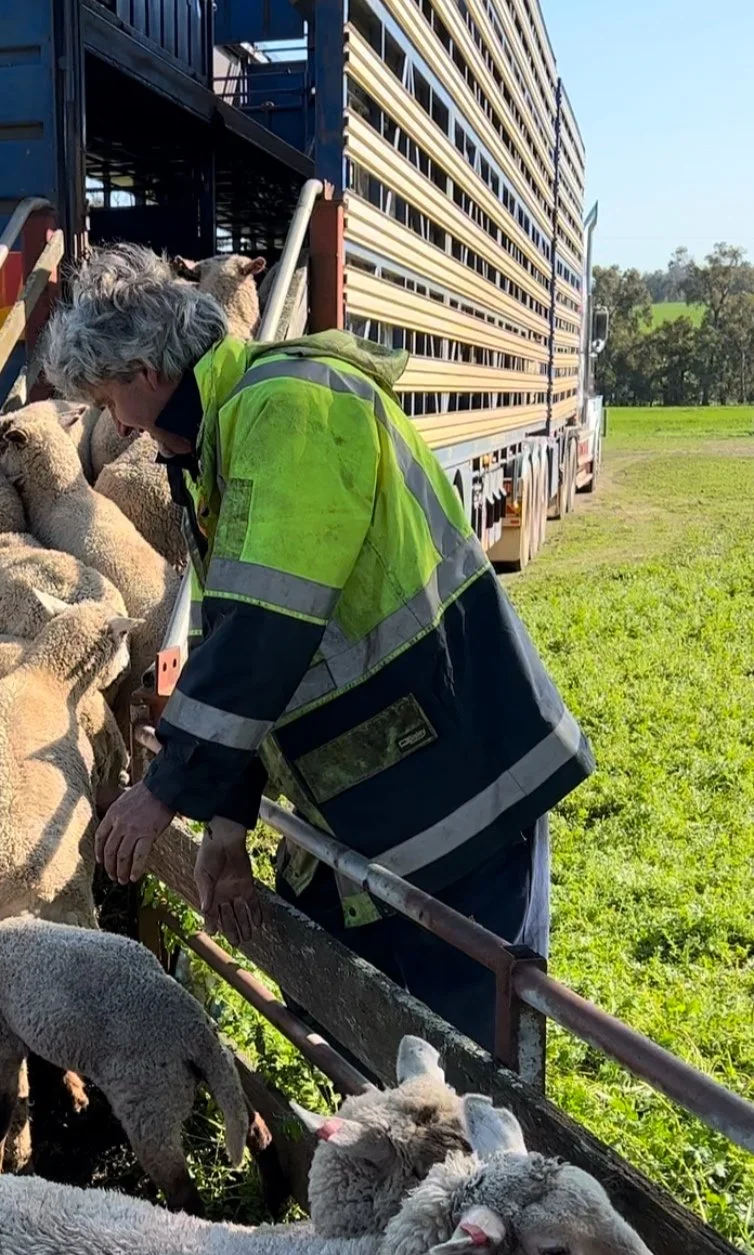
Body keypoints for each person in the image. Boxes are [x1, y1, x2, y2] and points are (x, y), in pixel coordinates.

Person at [41, 246, 593, 1054]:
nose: (117, 425)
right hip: (381, 792)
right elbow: (231, 644)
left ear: (147, 366)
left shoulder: (291, 409)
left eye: (109, 397)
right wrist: (227, 823)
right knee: (375, 1042)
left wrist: (168, 786)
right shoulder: (223, 450)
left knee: (470, 1058)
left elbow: (269, 631)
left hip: (460, 780)